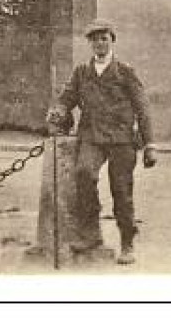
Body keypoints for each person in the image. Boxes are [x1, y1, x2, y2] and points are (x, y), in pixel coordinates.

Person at [47, 18, 157, 265]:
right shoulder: (82, 72)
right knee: (84, 173)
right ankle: (90, 234)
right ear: (90, 43)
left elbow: (143, 108)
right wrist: (59, 111)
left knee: (121, 191)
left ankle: (127, 242)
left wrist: (150, 145)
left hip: (121, 140)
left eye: (104, 38)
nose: (99, 43)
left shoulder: (125, 72)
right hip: (92, 137)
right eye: (95, 39)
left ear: (112, 41)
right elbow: (67, 98)